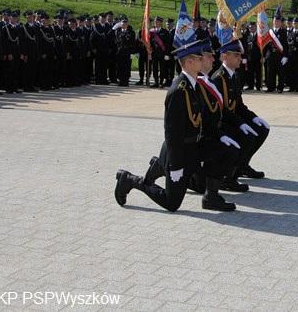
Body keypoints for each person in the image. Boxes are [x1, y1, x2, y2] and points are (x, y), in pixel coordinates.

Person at [114, 40, 233, 211]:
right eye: (199, 58)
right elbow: (172, 133)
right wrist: (176, 166)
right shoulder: (179, 90)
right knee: (171, 203)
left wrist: (220, 136)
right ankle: (130, 180)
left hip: (194, 147)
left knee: (224, 151)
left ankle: (211, 198)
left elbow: (203, 119)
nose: (203, 60)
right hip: (179, 151)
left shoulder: (194, 85)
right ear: (189, 62)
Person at [211, 38, 270, 190]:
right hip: (221, 122)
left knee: (261, 129)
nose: (240, 58)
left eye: (240, 55)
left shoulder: (234, 76)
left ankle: (243, 165)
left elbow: (239, 106)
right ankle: (228, 177)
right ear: (225, 56)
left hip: (232, 119)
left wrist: (254, 117)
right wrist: (241, 123)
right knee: (247, 136)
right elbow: (222, 110)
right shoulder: (218, 78)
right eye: (236, 55)